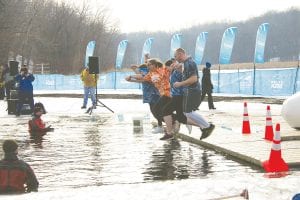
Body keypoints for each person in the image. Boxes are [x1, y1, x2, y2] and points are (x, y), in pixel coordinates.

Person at [173, 48, 215, 140]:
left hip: (192, 90)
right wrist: (180, 69)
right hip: (190, 90)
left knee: (188, 112)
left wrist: (180, 84)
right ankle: (205, 127)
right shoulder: (186, 63)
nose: (175, 59)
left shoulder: (189, 63)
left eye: (175, 56)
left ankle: (207, 126)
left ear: (180, 54)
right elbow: (188, 75)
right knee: (186, 112)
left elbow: (194, 79)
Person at [130, 56, 163, 133]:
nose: (148, 65)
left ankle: (164, 124)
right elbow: (140, 75)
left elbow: (142, 77)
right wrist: (135, 69)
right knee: (154, 111)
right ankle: (163, 124)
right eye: (147, 64)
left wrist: (131, 78)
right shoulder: (146, 70)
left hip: (153, 93)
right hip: (148, 93)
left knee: (156, 111)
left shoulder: (152, 72)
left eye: (149, 64)